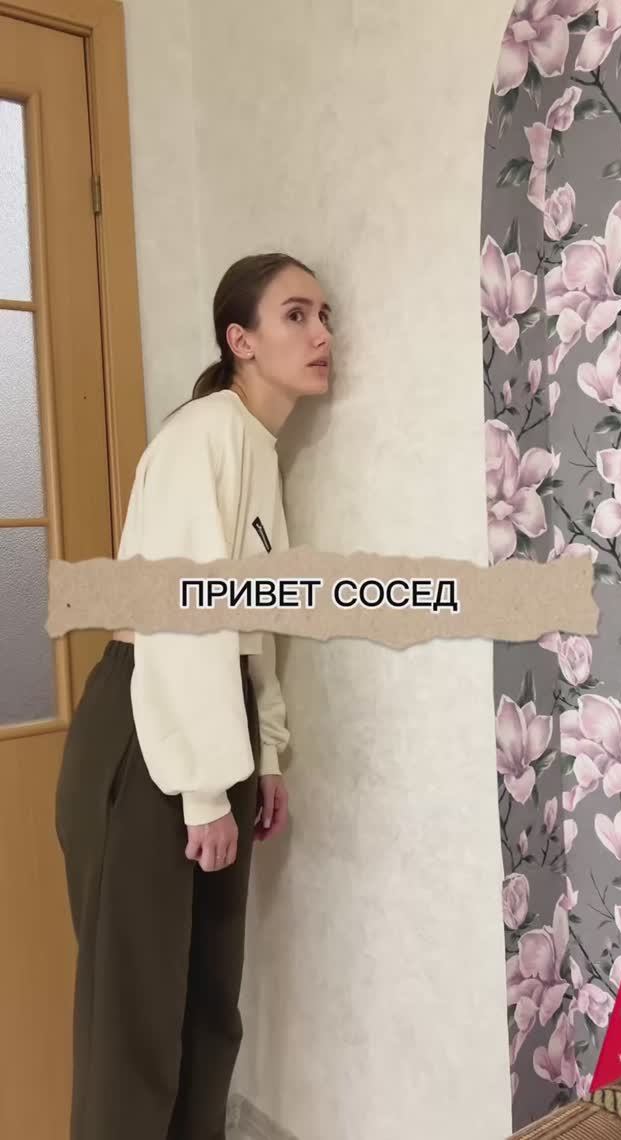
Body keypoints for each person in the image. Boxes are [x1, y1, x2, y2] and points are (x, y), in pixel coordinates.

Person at [54, 251, 334, 1140]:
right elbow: (181, 616)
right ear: (239, 340)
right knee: (136, 1023)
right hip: (153, 726)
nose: (322, 334)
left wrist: (268, 751)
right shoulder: (203, 437)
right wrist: (208, 786)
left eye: (325, 316)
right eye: (297, 315)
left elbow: (252, 625)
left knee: (209, 1005)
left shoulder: (257, 449)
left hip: (215, 722)